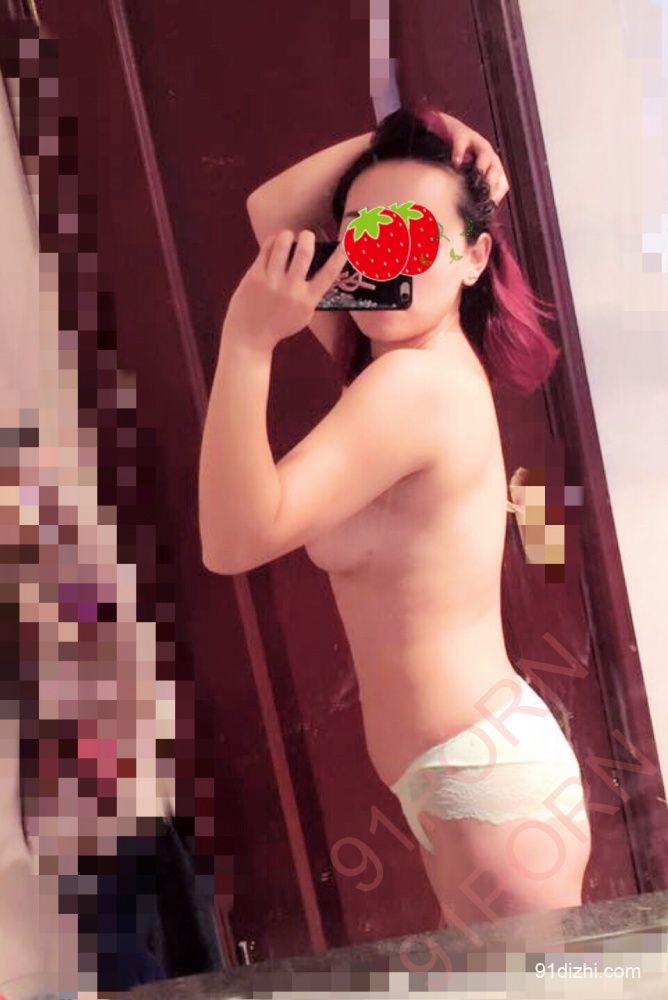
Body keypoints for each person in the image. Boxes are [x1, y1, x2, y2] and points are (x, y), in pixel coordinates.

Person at [198, 104, 592, 925]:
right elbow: (272, 214)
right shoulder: (401, 359)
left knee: (567, 982)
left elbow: (234, 540)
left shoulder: (410, 387)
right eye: (362, 237)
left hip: (482, 786)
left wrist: (247, 343)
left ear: (474, 257)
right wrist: (428, 130)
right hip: (463, 776)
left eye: (413, 236)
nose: (382, 257)